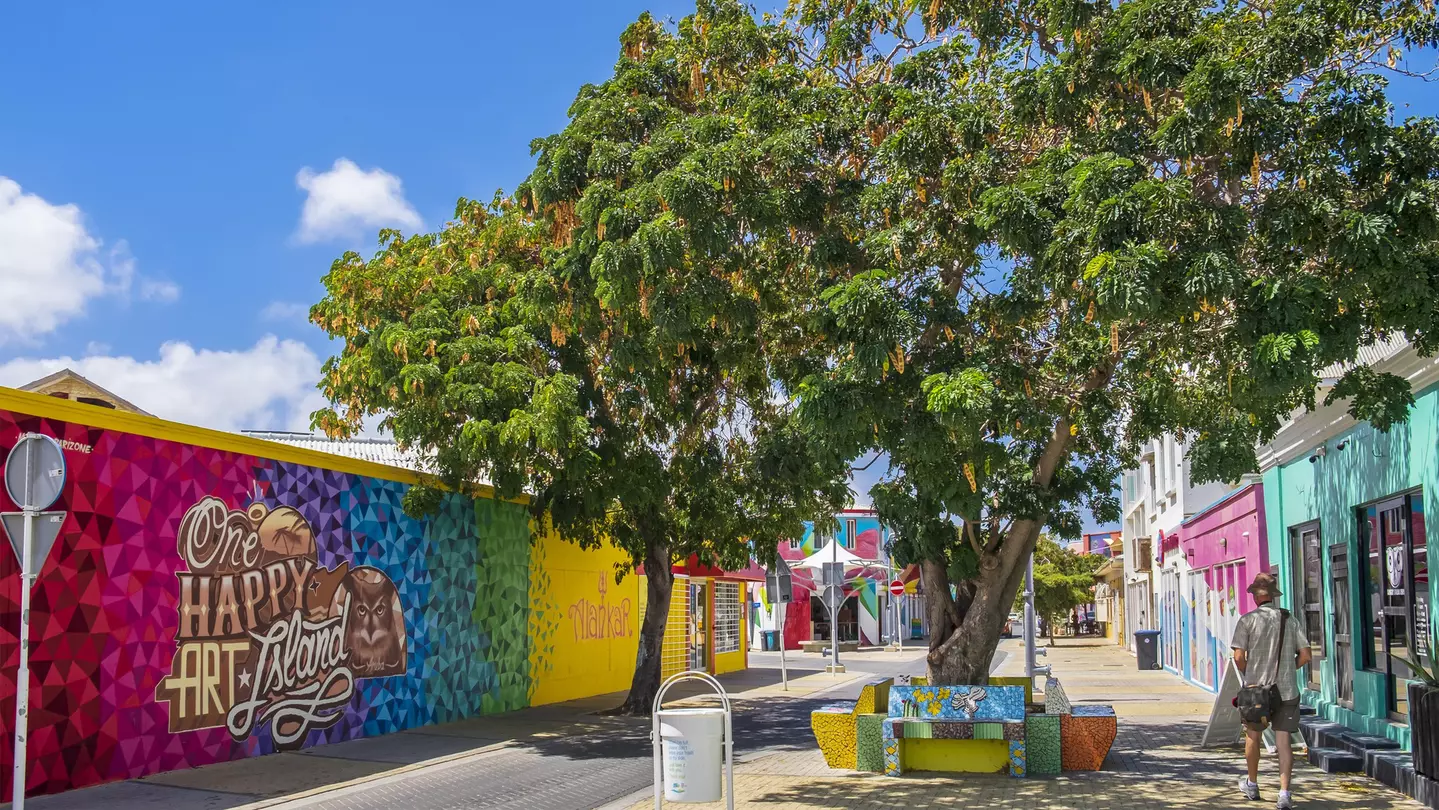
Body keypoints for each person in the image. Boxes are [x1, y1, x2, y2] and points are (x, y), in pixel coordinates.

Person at [1231, 572, 1311, 809]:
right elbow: (1306, 655)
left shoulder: (1247, 621)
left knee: (1253, 737)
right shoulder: (1290, 619)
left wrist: (1251, 675)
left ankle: (1252, 784)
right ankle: (1284, 793)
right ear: (1274, 596)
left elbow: (1238, 657)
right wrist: (1288, 668)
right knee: (1284, 743)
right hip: (1286, 691)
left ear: (1255, 597)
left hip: (1256, 693)